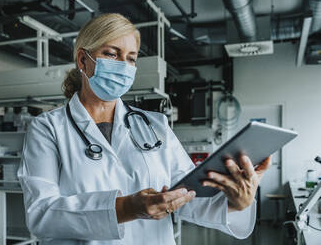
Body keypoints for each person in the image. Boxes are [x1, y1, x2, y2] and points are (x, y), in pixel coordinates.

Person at [18, 13, 271, 245]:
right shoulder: (48, 128)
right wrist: (126, 208)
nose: (123, 66)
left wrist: (236, 202)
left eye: (131, 58)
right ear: (83, 60)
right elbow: (41, 213)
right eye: (112, 54)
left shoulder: (155, 125)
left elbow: (187, 194)